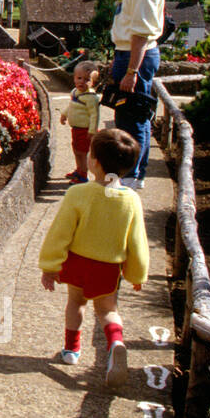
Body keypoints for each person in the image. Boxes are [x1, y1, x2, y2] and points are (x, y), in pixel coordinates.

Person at [39, 128, 149, 388]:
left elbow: (60, 233)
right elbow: (137, 241)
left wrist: (50, 266)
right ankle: (116, 343)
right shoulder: (131, 200)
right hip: (108, 267)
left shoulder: (78, 194)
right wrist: (136, 274)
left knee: (76, 303)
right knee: (107, 310)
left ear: (94, 162)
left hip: (78, 262)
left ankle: (71, 350)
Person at [107, 0, 164, 189]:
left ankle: (131, 176)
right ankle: (135, 173)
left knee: (132, 119)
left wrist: (131, 70)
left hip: (135, 56)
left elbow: (141, 33)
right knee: (132, 115)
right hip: (129, 53)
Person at [60, 61, 101, 184]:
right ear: (74, 78)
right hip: (76, 129)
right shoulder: (75, 92)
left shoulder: (90, 97)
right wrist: (64, 114)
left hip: (85, 130)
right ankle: (79, 170)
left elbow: (95, 115)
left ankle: (83, 175)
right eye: (79, 78)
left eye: (87, 79)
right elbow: (72, 106)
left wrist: (92, 131)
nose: (81, 82)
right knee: (76, 150)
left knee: (82, 153)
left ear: (93, 82)